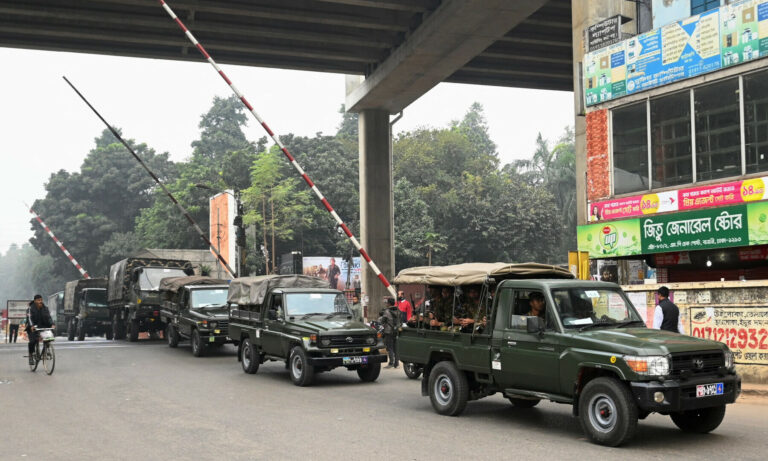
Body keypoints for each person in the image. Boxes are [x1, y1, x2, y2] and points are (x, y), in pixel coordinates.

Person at [25, 295, 54, 365]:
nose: (40, 301)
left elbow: (49, 317)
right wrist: (31, 326)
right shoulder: (30, 308)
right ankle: (31, 355)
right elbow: (29, 319)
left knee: (48, 338)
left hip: (43, 326)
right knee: (33, 341)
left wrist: (52, 324)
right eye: (38, 300)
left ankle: (47, 348)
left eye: (41, 300)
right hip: (33, 327)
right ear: (35, 301)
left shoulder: (45, 308)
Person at [378, 297, 400, 368]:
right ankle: (396, 363)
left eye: (387, 302)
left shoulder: (386, 311)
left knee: (390, 347)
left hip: (388, 331)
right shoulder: (398, 310)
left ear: (389, 303)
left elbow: (382, 321)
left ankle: (391, 363)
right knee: (396, 347)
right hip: (396, 331)